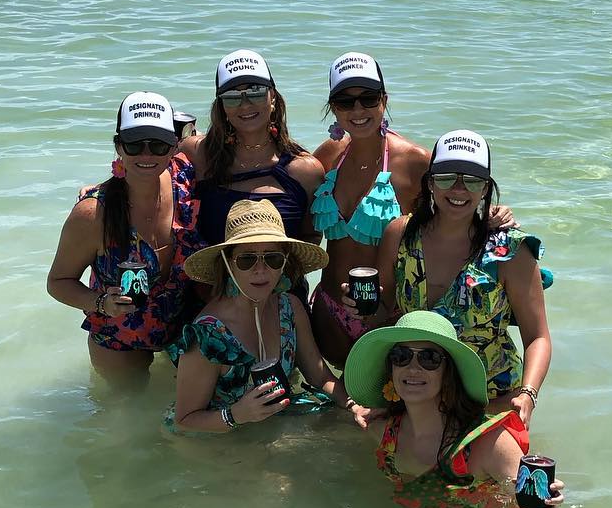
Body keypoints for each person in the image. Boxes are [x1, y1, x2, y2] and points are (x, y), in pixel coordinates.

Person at [377, 131, 551, 430]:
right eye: (446, 178)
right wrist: (361, 308)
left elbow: (538, 337)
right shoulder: (400, 235)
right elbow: (382, 314)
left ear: (485, 188)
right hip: (414, 395)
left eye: (471, 180)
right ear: (430, 183)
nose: (459, 188)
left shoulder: (511, 252)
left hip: (490, 400)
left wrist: (527, 394)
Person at [344, 310, 563, 508]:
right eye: (401, 356)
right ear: (391, 369)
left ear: (448, 372)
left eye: (429, 358)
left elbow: (531, 502)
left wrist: (548, 500)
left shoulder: (489, 442)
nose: (412, 368)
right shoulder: (382, 433)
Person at [46, 91, 202, 380]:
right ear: (119, 146)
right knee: (124, 416)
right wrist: (101, 303)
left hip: (183, 327)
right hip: (119, 336)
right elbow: (57, 282)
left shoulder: (187, 176)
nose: (146, 154)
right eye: (134, 144)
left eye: (157, 144)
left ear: (173, 147)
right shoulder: (93, 214)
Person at [170, 200, 340, 431]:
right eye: (247, 259)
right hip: (214, 440)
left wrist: (353, 405)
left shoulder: (290, 308)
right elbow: (184, 421)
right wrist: (236, 415)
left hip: (272, 426)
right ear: (229, 263)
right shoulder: (207, 336)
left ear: (284, 262)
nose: (260, 270)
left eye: (272, 258)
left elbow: (320, 378)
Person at [309, 53, 430, 363]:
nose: (358, 109)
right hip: (328, 310)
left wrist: (495, 218)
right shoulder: (329, 156)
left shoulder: (415, 162)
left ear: (384, 100)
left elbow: (458, 207)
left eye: (368, 98)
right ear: (333, 108)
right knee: (334, 407)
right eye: (346, 102)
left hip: (386, 319)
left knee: (384, 407)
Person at [182, 50, 325, 247]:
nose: (245, 104)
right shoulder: (198, 154)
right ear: (222, 106)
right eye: (232, 96)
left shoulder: (305, 171)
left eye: (255, 91)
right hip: (207, 278)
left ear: (272, 97)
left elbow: (311, 238)